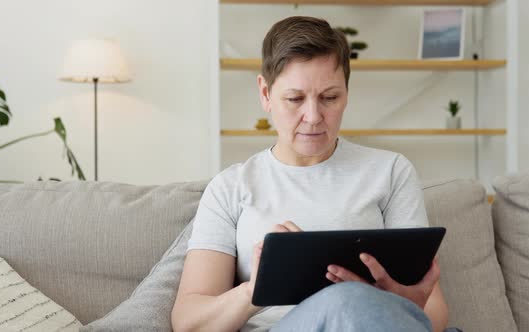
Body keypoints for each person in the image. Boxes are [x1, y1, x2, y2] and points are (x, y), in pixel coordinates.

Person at [172, 16, 450, 332]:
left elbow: (436, 314)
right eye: (295, 99)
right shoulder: (230, 187)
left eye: (330, 97)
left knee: (352, 301)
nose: (314, 117)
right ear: (265, 93)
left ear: (347, 91)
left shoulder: (391, 172)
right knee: (344, 299)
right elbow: (189, 324)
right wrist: (256, 290)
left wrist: (403, 303)